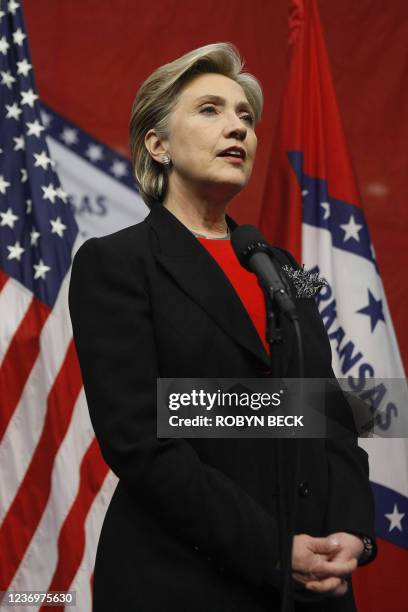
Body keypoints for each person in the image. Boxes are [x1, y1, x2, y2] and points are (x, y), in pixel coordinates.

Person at [68, 43, 377, 612]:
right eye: (210, 110)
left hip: (314, 588)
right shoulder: (115, 263)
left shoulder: (284, 269)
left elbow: (329, 414)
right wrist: (276, 549)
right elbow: (141, 440)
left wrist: (353, 534)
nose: (237, 127)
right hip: (185, 581)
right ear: (156, 145)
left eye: (246, 116)